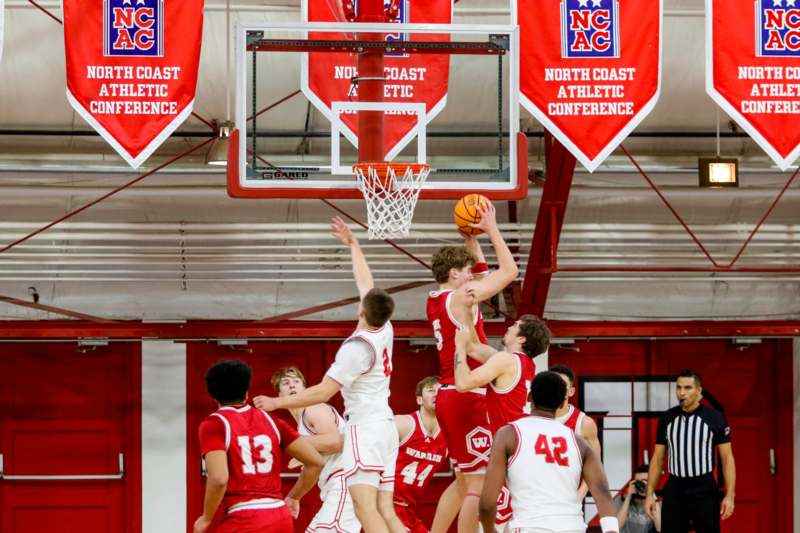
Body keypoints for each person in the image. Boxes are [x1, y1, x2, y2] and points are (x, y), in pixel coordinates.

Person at [254, 217, 405, 533]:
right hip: (384, 427)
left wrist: (274, 403)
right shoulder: (385, 327)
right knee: (387, 514)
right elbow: (366, 283)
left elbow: (323, 393)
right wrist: (354, 244)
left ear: (362, 310)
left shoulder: (356, 349)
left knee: (366, 510)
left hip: (366, 427)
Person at [426, 201, 519, 533]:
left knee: (464, 481)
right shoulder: (461, 296)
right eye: (467, 271)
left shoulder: (437, 299)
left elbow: (480, 271)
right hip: (466, 395)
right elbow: (509, 273)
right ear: (455, 275)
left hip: (450, 395)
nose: (474, 275)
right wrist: (492, 229)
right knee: (478, 484)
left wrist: (470, 238)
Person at [479, 371, 620, 533]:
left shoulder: (509, 434)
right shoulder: (579, 442)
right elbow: (602, 491)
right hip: (572, 528)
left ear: (529, 397)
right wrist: (611, 531)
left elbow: (487, 504)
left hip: (529, 527)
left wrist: (490, 529)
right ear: (561, 404)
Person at [194, 359, 324, 533]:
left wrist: (206, 518)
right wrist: (294, 497)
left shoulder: (214, 424)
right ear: (247, 392)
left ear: (213, 395)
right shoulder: (272, 420)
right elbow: (316, 462)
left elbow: (218, 478)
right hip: (280, 516)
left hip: (244, 516)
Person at [454, 313, 551, 527]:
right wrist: (470, 309)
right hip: (525, 451)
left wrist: (458, 348)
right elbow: (475, 346)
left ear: (522, 338)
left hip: (509, 454)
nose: (509, 327)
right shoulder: (523, 365)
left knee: (492, 520)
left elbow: (463, 382)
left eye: (515, 325)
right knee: (518, 520)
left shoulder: (505, 360)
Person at [645, 369, 736, 533]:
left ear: (698, 390)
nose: (681, 393)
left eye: (687, 388)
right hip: (675, 488)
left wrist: (730, 495)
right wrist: (649, 494)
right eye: (678, 388)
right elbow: (658, 458)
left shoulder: (715, 418)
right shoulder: (667, 418)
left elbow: (727, 459)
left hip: (704, 488)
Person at [272, 366, 360, 533]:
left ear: (305, 389)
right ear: (280, 395)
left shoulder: (314, 408)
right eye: (286, 383)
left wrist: (296, 445)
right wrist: (294, 496)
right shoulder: (301, 423)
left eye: (297, 382)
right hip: (335, 487)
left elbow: (335, 442)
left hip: (345, 481)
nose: (292, 385)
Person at [392, 375, 449, 533]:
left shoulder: (448, 438)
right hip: (385, 505)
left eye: (440, 390)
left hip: (409, 511)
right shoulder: (403, 424)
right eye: (431, 390)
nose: (437, 394)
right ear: (419, 400)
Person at [550, 364, 602, 499]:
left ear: (571, 391)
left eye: (561, 385)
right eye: (552, 385)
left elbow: (594, 464)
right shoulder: (532, 419)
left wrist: (581, 494)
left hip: (569, 498)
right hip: (537, 498)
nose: (556, 390)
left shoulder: (584, 423)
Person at [616, 464, 661, 533]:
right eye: (638, 481)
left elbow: (659, 528)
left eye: (645, 481)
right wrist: (628, 496)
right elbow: (616, 526)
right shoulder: (621, 499)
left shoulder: (658, 501)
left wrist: (651, 492)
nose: (640, 484)